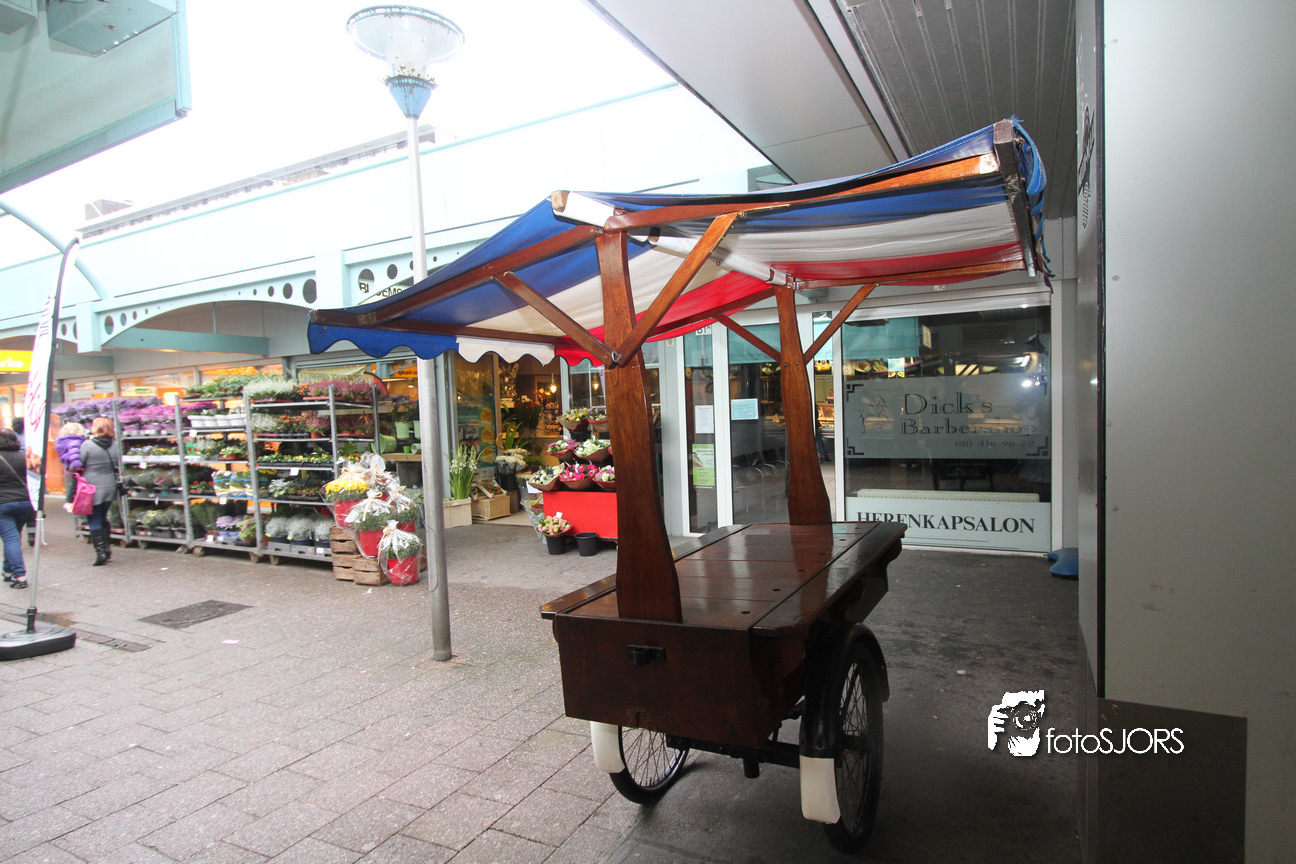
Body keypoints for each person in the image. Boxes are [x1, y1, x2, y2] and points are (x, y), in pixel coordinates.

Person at [77, 416, 121, 566]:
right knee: (103, 515)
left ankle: (101, 552)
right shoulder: (115, 445)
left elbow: (78, 464)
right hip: (110, 484)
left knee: (94, 518)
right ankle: (107, 548)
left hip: (92, 486)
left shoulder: (87, 445)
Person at [0, 427, 34, 588]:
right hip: (24, 502)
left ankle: (19, 575)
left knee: (10, 537)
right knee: (14, 535)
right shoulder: (25, 458)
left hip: (3, 503)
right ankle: (7, 570)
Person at [56, 421, 87, 513]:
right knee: (76, 485)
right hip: (76, 468)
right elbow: (74, 456)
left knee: (73, 484)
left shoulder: (65, 441)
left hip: (69, 466)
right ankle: (71, 503)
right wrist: (78, 466)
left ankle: (70, 502)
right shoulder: (75, 442)